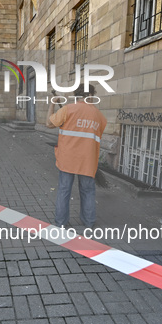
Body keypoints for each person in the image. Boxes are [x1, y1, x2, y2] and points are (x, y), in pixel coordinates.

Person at [46, 86, 107, 228]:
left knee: (64, 190)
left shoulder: (67, 109)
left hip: (68, 159)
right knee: (88, 191)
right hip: (88, 160)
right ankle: (89, 222)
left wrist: (52, 104)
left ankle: (61, 223)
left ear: (76, 95)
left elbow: (49, 123)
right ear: (90, 95)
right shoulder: (99, 116)